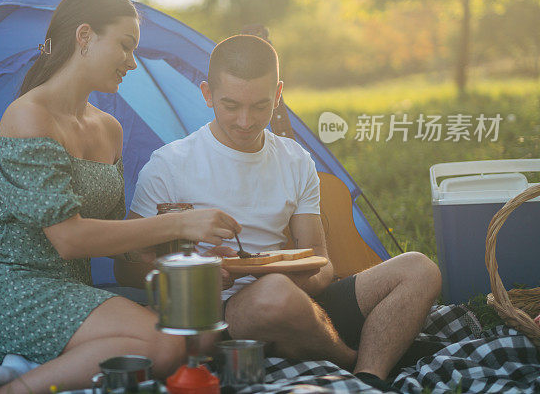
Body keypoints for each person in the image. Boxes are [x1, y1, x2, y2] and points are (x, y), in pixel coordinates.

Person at [122, 34, 442, 390]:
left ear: (277, 95)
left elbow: (322, 262)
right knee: (274, 296)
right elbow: (128, 264)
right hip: (224, 315)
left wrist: (287, 277)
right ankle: (353, 359)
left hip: (300, 299)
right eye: (231, 105)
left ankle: (370, 376)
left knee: (419, 268)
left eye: (259, 106)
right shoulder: (170, 164)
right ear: (207, 93)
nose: (245, 121)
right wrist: (197, 278)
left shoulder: (294, 159)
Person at [0, 0, 241, 394]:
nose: (132, 62)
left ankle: (35, 370)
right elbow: (71, 239)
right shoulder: (27, 117)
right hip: (13, 292)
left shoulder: (108, 129)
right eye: (125, 46)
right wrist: (182, 222)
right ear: (85, 36)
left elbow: (116, 242)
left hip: (71, 294)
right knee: (166, 346)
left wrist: (191, 270)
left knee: (198, 334)